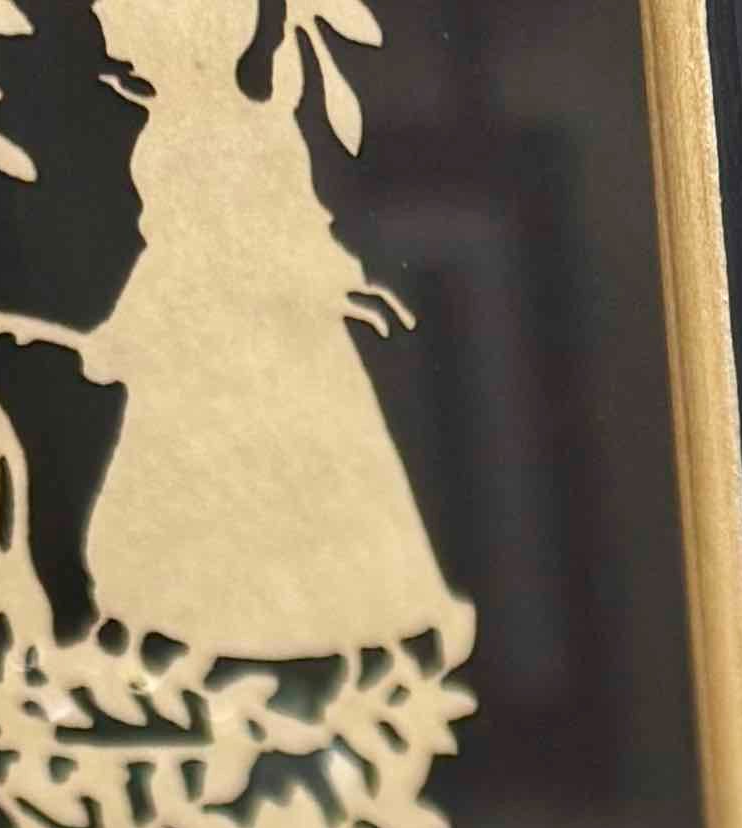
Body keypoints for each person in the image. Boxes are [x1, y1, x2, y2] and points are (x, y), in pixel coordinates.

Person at [74, 0, 463, 658]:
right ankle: (190, 637)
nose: (117, 47)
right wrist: (127, 331)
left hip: (254, 343)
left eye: (127, 30)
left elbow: (264, 235)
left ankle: (351, 633)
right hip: (204, 343)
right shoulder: (170, 132)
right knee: (185, 492)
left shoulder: (244, 132)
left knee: (283, 487)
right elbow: (172, 251)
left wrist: (128, 331)